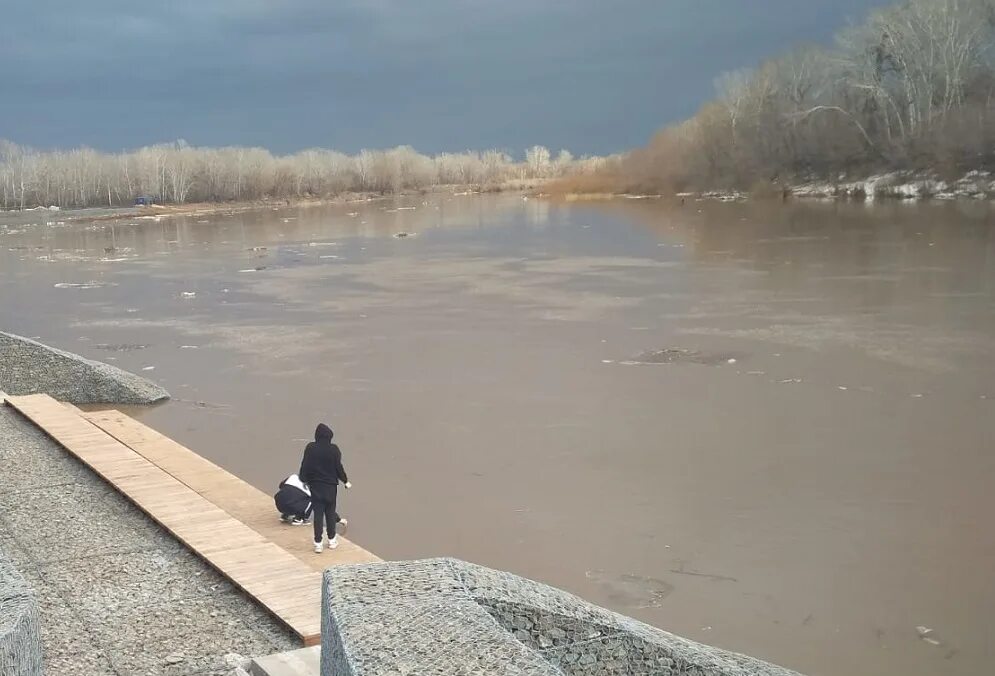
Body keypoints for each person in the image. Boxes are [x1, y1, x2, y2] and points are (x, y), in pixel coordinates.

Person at [299, 423, 351, 553]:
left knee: (318, 515)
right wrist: (345, 481)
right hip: (330, 487)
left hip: (316, 486)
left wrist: (303, 479)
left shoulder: (310, 448)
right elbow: (339, 468)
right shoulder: (334, 449)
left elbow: (305, 465)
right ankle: (332, 540)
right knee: (330, 512)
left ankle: (318, 543)